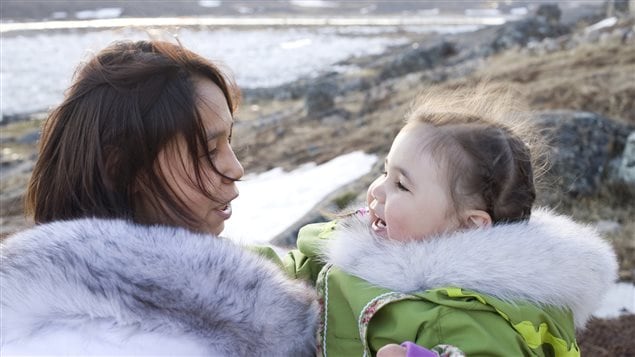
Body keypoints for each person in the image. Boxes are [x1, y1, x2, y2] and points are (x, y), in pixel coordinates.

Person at [0, 40, 318, 356]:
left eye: (229, 140)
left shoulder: (213, 285)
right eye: (208, 151)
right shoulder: (102, 344)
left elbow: (307, 268)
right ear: (122, 168)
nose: (235, 168)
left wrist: (367, 224)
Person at [275, 85, 618, 356]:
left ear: (469, 226)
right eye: (384, 171)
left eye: (401, 185)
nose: (377, 191)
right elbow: (286, 269)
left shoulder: (468, 315)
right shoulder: (360, 245)